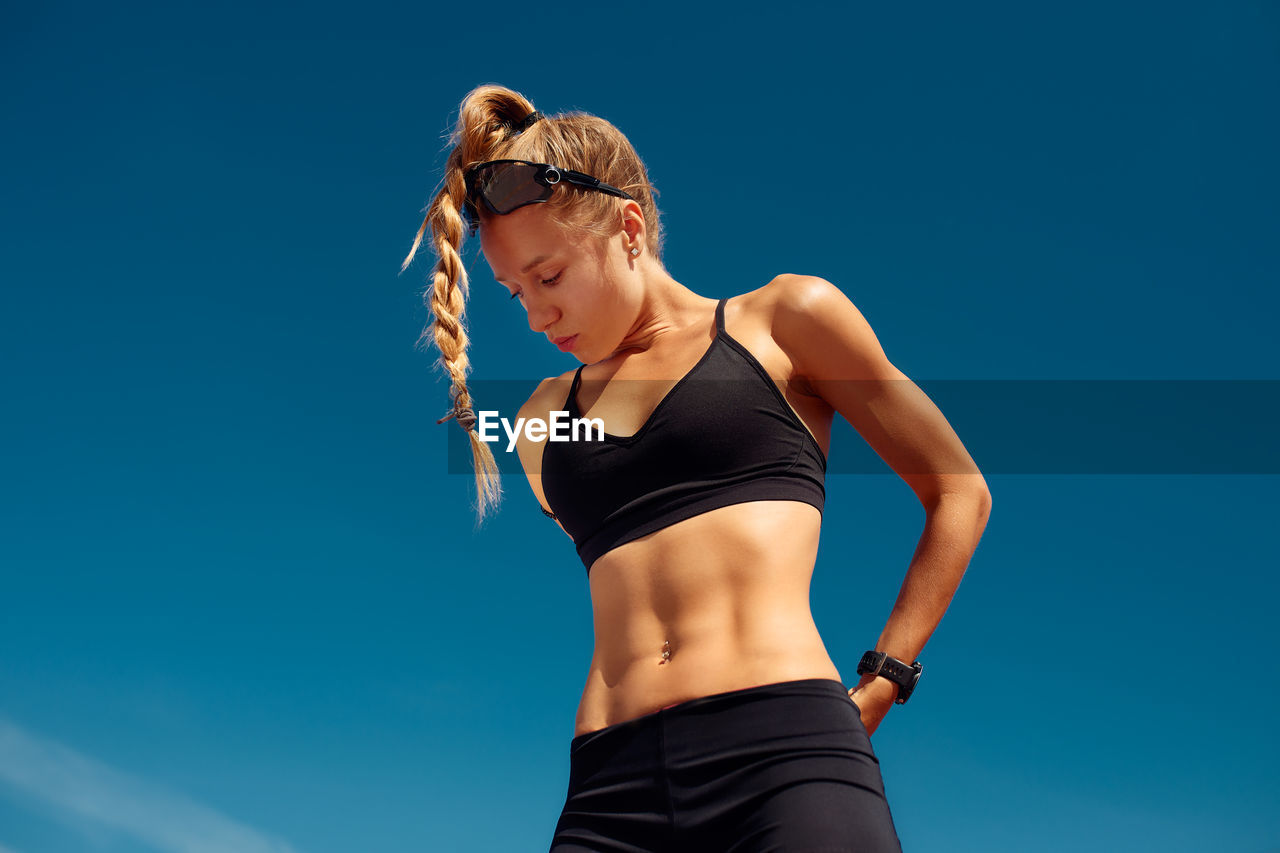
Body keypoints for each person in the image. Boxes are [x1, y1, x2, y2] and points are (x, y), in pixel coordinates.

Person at [402, 84, 991, 853]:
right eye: (515, 292)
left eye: (548, 277)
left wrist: (886, 676)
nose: (535, 315)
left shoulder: (784, 322)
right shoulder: (540, 420)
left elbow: (957, 489)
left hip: (785, 758)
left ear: (630, 227)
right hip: (609, 793)